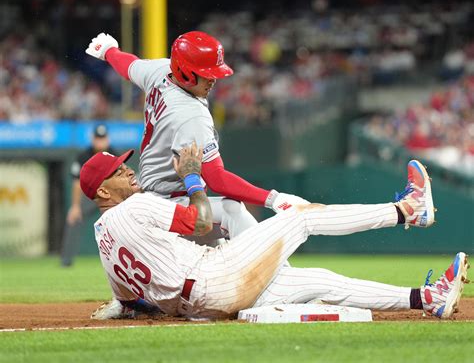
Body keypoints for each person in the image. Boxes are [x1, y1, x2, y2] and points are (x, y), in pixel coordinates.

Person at [79, 145, 469, 320]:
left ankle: (427, 299)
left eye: (125, 165)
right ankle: (407, 210)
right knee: (300, 217)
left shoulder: (102, 237)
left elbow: (129, 298)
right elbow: (199, 221)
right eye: (118, 172)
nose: (128, 171)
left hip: (204, 304)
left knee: (322, 281)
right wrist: (193, 177)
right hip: (215, 276)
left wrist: (125, 309)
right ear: (102, 192)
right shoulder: (135, 204)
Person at [85, 31, 309, 246]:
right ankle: (277, 274)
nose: (214, 79)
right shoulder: (190, 115)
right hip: (169, 205)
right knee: (233, 211)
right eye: (207, 73)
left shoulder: (161, 70)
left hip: (157, 198)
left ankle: (269, 276)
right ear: (185, 72)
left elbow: (129, 66)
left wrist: (109, 51)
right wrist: (274, 199)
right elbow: (217, 179)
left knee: (222, 263)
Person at [61, 124, 117, 267]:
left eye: (102, 138)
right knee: (73, 219)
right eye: (98, 138)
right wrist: (75, 206)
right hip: (89, 196)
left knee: (120, 224)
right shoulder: (83, 156)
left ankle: (120, 261)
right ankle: (66, 261)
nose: (100, 142)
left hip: (109, 197)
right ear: (92, 139)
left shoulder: (114, 155)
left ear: (108, 139)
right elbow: (76, 183)